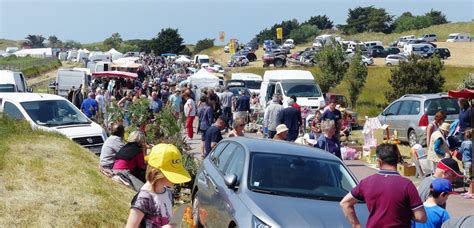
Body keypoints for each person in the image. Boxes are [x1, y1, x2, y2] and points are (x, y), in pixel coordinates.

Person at [340, 143, 427, 228]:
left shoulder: (366, 182)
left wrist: (356, 225)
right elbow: (421, 217)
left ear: (379, 161)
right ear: (397, 160)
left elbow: (345, 203)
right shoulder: (407, 185)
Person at [126, 144, 191, 228]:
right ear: (156, 172)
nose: (176, 180)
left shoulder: (168, 193)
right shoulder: (144, 199)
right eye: (172, 173)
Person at [460, 128, 473, 199]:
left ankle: (470, 193)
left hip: (466, 161)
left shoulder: (464, 143)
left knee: (469, 178)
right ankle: (470, 191)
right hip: (471, 161)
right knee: (471, 178)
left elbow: (461, 151)